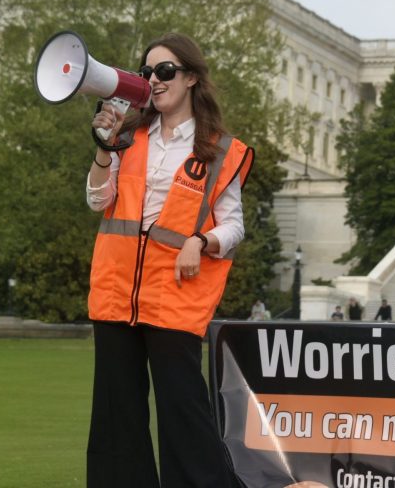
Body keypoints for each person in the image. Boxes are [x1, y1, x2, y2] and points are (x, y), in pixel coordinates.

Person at [84, 33, 253, 487]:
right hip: (116, 291)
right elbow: (98, 201)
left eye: (165, 71)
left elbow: (234, 228)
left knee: (184, 413)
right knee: (116, 415)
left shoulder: (219, 149)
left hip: (174, 298)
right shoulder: (128, 137)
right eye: (147, 72)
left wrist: (201, 240)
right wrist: (103, 148)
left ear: (191, 77)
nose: (154, 80)